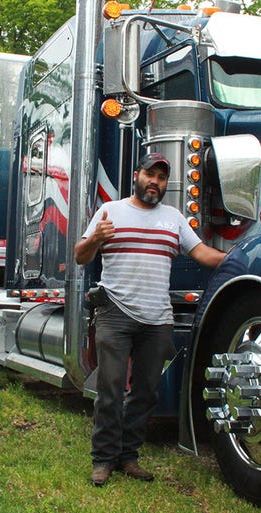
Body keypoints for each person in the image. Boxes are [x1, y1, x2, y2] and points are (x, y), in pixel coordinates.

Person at [74, 152, 226, 487]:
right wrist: (97, 237)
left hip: (158, 319)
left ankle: (128, 456)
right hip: (115, 312)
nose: (155, 182)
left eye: (161, 178)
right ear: (136, 174)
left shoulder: (174, 218)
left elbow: (202, 253)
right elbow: (80, 255)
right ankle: (103, 460)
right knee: (110, 389)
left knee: (146, 392)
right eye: (150, 175)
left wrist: (238, 258)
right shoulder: (110, 211)